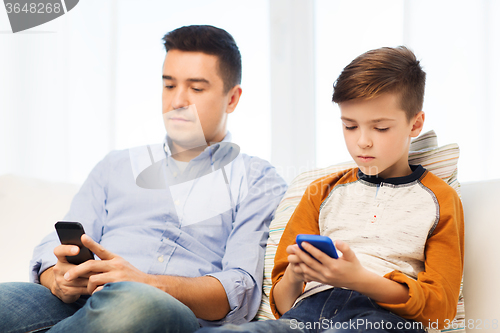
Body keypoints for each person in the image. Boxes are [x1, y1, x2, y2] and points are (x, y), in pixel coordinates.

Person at [0, 25, 287, 333]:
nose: (178, 101)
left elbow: (239, 290)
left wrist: (147, 283)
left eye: (196, 88)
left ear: (232, 99)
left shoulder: (258, 179)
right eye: (168, 85)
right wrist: (56, 276)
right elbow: (57, 245)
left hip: (163, 310)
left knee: (137, 303)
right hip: (82, 302)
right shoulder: (116, 165)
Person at [197, 46, 464, 333]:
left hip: (381, 320)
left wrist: (358, 279)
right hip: (304, 316)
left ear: (416, 124)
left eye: (381, 128)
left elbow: (440, 307)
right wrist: (295, 275)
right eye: (350, 126)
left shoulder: (440, 199)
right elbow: (283, 303)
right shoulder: (322, 192)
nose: (362, 141)